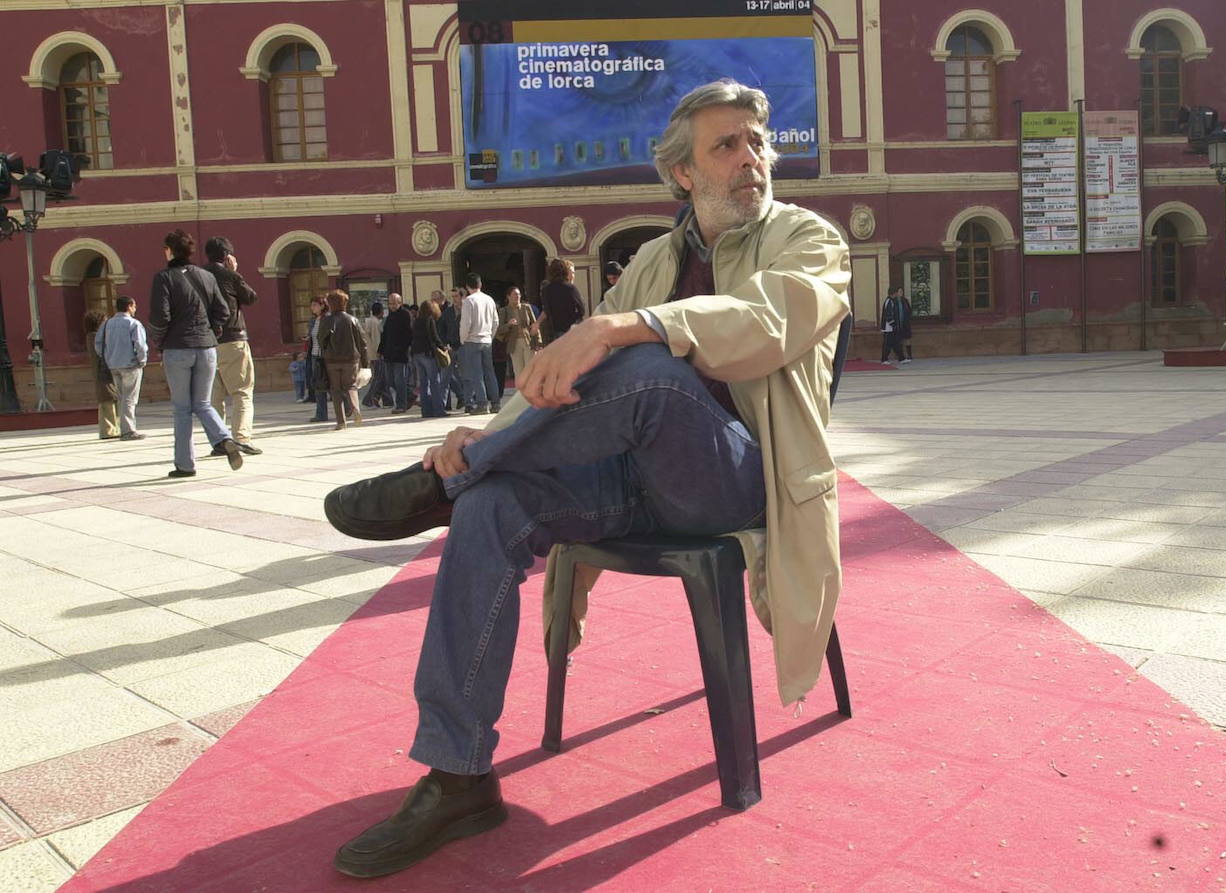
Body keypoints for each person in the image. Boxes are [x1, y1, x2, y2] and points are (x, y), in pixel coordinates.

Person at [324, 79, 850, 878]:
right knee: (494, 504)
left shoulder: (808, 241)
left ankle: (443, 487)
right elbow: (562, 368)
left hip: (742, 478)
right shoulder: (652, 260)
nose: (752, 158)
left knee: (646, 357)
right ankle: (458, 772)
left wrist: (629, 326)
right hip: (635, 477)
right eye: (727, 145)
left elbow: (764, 326)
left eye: (756, 141)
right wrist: (484, 435)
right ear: (683, 174)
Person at [147, 229, 245, 478]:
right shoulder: (206, 276)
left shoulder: (164, 278)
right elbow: (223, 311)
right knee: (202, 402)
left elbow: (160, 316)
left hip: (178, 348)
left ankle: (185, 464)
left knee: (182, 408)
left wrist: (160, 338)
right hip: (207, 347)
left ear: (169, 251)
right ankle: (224, 438)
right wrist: (211, 330)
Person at [204, 237, 262, 456]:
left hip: (206, 344)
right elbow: (251, 297)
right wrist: (236, 272)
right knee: (242, 392)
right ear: (228, 256)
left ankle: (219, 441)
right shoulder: (229, 275)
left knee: (214, 396)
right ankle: (241, 438)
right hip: (233, 340)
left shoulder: (198, 276)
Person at [93, 296, 148, 440]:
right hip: (130, 365)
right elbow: (140, 345)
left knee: (122, 397)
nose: (135, 309)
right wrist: (142, 361)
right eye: (134, 306)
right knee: (130, 398)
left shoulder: (106, 324)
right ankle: (128, 430)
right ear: (129, 306)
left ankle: (125, 428)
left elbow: (98, 344)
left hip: (113, 365)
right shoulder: (133, 324)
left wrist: (107, 357)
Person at [319, 290, 369, 430]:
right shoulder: (352, 320)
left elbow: (321, 340)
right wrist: (365, 364)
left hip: (332, 360)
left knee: (335, 390)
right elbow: (362, 343)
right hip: (351, 359)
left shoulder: (326, 320)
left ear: (330, 304)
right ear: (345, 303)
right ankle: (355, 408)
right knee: (351, 386)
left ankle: (341, 422)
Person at [458, 273, 501, 414]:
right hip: (487, 339)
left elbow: (466, 323)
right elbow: (496, 321)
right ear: (480, 284)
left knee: (476, 373)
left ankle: (482, 404)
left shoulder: (469, 301)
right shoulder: (489, 299)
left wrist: (463, 338)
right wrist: (490, 335)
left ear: (467, 286)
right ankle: (495, 403)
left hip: (472, 340)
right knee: (490, 372)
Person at [83, 309, 119, 440]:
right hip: (102, 373)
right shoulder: (95, 337)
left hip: (102, 372)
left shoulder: (93, 336)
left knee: (110, 400)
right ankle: (108, 430)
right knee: (107, 401)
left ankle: (113, 428)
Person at [411, 298, 449, 418]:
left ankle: (426, 411)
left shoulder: (416, 321)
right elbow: (434, 337)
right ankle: (439, 410)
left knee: (423, 383)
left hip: (417, 354)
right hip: (428, 354)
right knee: (434, 382)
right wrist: (443, 348)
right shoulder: (430, 320)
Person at [496, 284, 541, 380]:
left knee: (531, 370)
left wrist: (538, 341)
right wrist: (509, 324)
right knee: (519, 371)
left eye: (519, 294)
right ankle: (520, 394)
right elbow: (499, 330)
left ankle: (531, 393)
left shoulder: (526, 308)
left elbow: (534, 325)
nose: (517, 296)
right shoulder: (504, 311)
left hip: (528, 341)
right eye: (515, 294)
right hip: (514, 343)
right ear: (508, 296)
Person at [379, 293, 413, 414]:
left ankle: (401, 405)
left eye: (394, 303)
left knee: (400, 380)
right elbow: (385, 335)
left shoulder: (405, 314)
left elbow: (409, 334)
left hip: (400, 354)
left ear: (400, 302)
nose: (392, 306)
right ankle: (411, 395)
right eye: (390, 303)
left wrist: (403, 348)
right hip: (388, 354)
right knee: (390, 381)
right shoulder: (389, 316)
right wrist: (380, 350)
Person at [539, 257, 585, 342]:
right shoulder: (570, 288)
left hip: (556, 330)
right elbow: (581, 310)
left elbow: (547, 310)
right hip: (572, 328)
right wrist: (573, 318)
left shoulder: (546, 289)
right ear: (565, 272)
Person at [305, 296, 331, 422]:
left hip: (325, 356)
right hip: (315, 356)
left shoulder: (328, 319)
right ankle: (321, 414)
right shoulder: (314, 320)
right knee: (318, 385)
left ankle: (348, 408)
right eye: (312, 305)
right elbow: (312, 337)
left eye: (315, 305)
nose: (312, 308)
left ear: (322, 306)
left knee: (332, 385)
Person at [361, 302, 387, 408]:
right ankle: (369, 399)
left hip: (369, 353)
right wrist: (380, 352)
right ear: (380, 312)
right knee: (379, 377)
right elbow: (377, 340)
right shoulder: (376, 323)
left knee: (382, 377)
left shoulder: (367, 322)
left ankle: (386, 399)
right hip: (377, 354)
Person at [898, 287, 914, 363]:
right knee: (899, 340)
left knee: (907, 339)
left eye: (902, 291)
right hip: (899, 324)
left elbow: (909, 311)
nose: (901, 293)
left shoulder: (905, 301)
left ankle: (909, 355)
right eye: (899, 291)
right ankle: (901, 356)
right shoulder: (894, 301)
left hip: (906, 323)